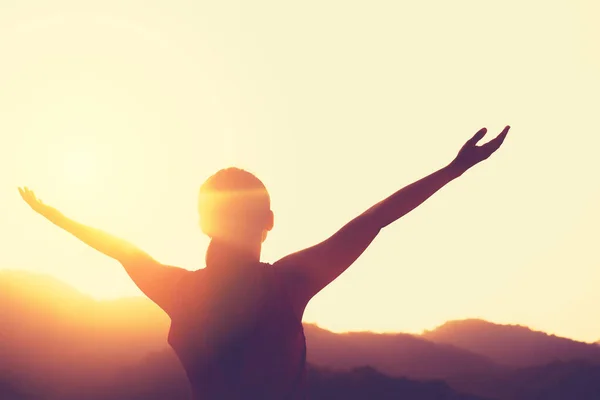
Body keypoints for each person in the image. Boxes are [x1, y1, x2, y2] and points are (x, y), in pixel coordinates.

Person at [19, 125, 510, 399]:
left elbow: (119, 248)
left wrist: (56, 217)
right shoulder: (287, 284)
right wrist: (452, 171)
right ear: (269, 222)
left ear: (202, 225)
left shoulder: (180, 290)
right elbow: (374, 220)